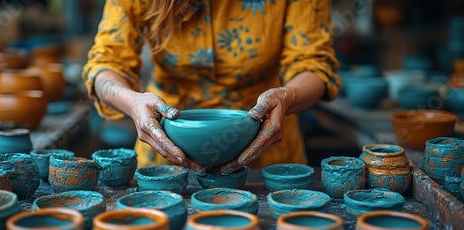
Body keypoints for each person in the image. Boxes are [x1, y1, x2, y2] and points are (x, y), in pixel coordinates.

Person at [82, 0, 340, 174]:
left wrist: (286, 97)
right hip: (168, 150)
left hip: (266, 145)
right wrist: (132, 102)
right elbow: (106, 64)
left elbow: (314, 64)